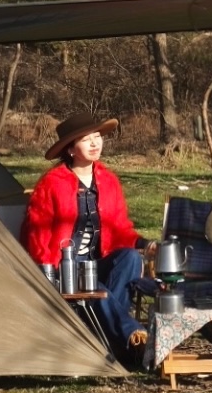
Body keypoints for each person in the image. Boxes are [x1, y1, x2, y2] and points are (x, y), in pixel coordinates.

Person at [21, 111, 152, 363]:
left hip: (95, 264)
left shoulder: (109, 181)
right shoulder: (51, 184)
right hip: (63, 269)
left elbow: (121, 228)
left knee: (130, 259)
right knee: (92, 286)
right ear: (70, 149)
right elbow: (35, 236)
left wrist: (146, 244)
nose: (95, 144)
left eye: (97, 137)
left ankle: (111, 340)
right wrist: (49, 272)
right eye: (86, 139)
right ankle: (130, 340)